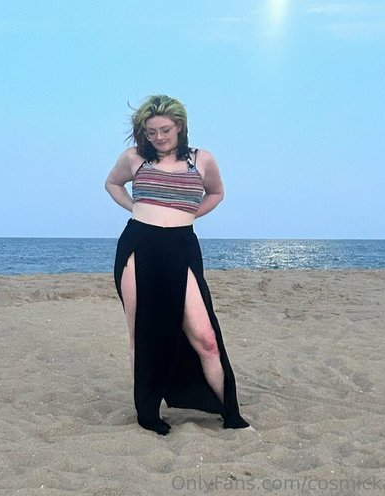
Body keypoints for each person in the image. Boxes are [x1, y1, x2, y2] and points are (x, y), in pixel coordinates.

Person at [105, 94, 251, 435]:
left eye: (165, 130)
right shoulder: (134, 158)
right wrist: (135, 208)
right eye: (151, 131)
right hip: (139, 245)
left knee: (205, 336)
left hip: (181, 247)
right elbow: (111, 183)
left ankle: (231, 415)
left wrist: (189, 214)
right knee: (140, 334)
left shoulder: (202, 160)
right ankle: (148, 412)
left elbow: (216, 193)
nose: (159, 137)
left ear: (180, 126)